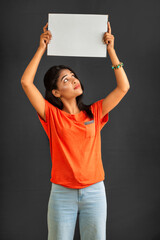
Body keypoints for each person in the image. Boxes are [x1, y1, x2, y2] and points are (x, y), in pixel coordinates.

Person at [21, 21, 130, 240]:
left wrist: (112, 51)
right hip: (62, 194)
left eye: (73, 76)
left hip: (95, 192)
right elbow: (26, 82)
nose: (73, 80)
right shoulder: (51, 115)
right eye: (65, 80)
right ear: (56, 92)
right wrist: (41, 47)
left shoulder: (94, 112)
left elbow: (123, 87)